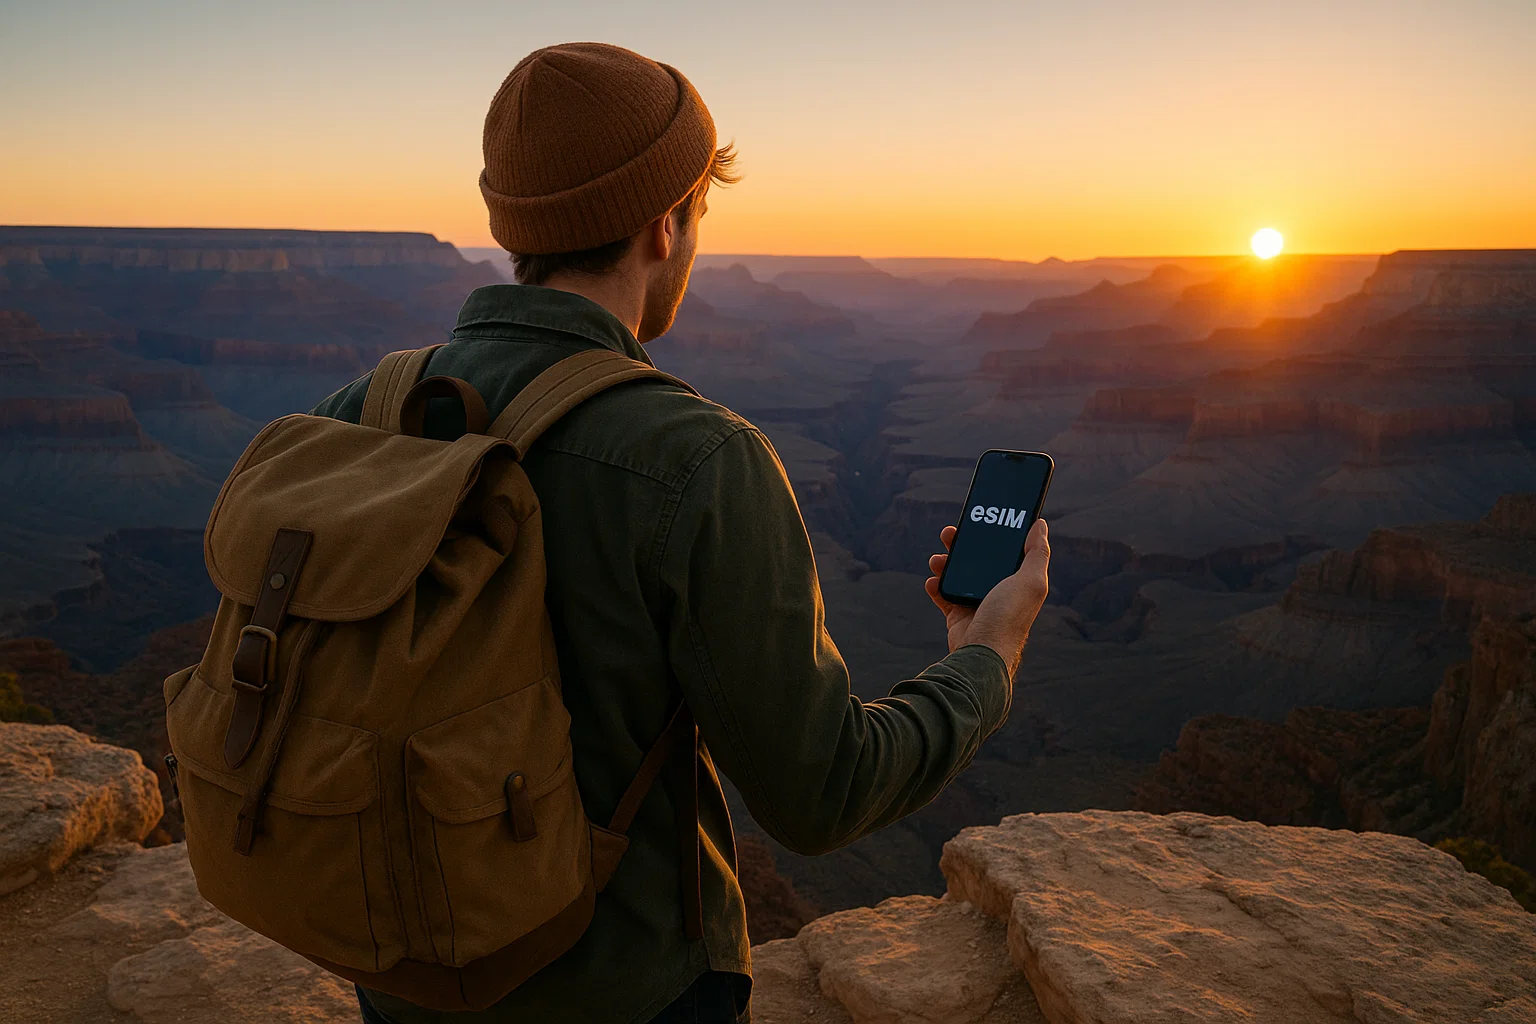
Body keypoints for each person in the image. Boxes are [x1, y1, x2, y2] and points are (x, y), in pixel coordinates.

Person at [312, 41, 1051, 1024]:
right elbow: (821, 792)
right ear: (666, 224)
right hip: (630, 996)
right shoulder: (699, 460)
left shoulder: (361, 411)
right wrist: (986, 656)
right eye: (699, 209)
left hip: (402, 983)